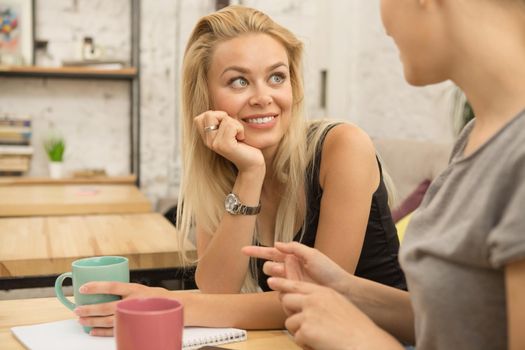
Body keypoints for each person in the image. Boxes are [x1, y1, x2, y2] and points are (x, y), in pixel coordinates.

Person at [73, 5, 405, 336]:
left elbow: (318, 302)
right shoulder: (226, 165)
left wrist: (172, 305)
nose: (263, 97)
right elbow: (218, 287)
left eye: (277, 77)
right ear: (206, 97)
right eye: (239, 81)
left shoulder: (343, 146)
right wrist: (249, 173)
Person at [243, 0, 525, 349]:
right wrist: (342, 288)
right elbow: (453, 326)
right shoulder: (477, 135)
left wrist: (365, 342)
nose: (383, 19)